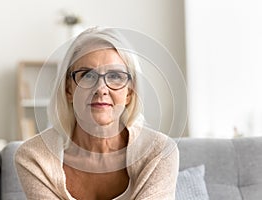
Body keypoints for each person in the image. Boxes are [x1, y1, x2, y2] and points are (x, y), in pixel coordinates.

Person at [15, 27, 179, 200]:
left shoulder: (159, 152)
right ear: (68, 89)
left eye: (115, 76)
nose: (101, 89)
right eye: (87, 75)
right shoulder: (34, 157)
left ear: (129, 93)